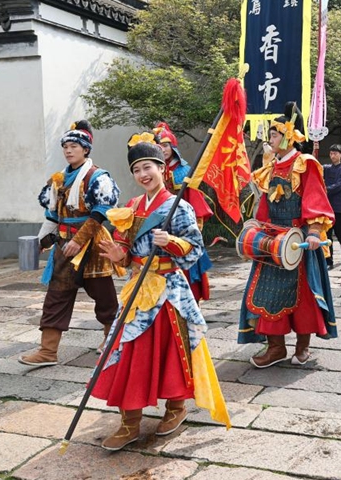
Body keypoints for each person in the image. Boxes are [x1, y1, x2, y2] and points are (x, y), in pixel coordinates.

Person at [91, 138, 229, 451]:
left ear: (162, 168)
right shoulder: (132, 207)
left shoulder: (180, 207)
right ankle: (129, 423)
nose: (143, 174)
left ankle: (177, 408)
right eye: (137, 169)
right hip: (138, 289)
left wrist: (171, 242)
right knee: (125, 352)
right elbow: (127, 251)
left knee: (171, 351)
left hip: (169, 291)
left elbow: (195, 251)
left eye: (148, 167)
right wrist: (118, 254)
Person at [237, 103, 337, 369]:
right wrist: (256, 229)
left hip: (299, 239)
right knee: (267, 292)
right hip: (273, 241)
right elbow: (264, 206)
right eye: (270, 134)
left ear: (289, 136)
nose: (270, 139)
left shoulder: (305, 164)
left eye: (274, 134)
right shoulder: (270, 167)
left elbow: (315, 198)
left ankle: (302, 346)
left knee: (303, 296)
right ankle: (275, 347)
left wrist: (314, 230)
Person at [19, 120, 120, 367]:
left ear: (85, 149)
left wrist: (80, 239)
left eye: (74, 145)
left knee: (104, 296)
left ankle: (113, 341)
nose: (68, 150)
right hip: (64, 246)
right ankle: (47, 351)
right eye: (65, 146)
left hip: (94, 246)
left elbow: (101, 212)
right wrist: (43, 241)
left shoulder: (97, 177)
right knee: (56, 295)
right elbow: (53, 214)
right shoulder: (59, 178)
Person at [152, 122, 214, 302]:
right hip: (159, 230)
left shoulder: (184, 171)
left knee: (187, 281)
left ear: (173, 146)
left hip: (181, 230)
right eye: (158, 146)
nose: (162, 149)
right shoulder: (152, 170)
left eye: (165, 145)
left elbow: (196, 203)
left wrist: (193, 232)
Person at [324, 144, 341, 268]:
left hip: (339, 206)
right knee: (327, 235)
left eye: (335, 153)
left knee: (340, 234)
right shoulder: (326, 168)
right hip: (326, 206)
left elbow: (339, 186)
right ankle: (328, 260)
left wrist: (324, 189)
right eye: (331, 153)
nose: (333, 156)